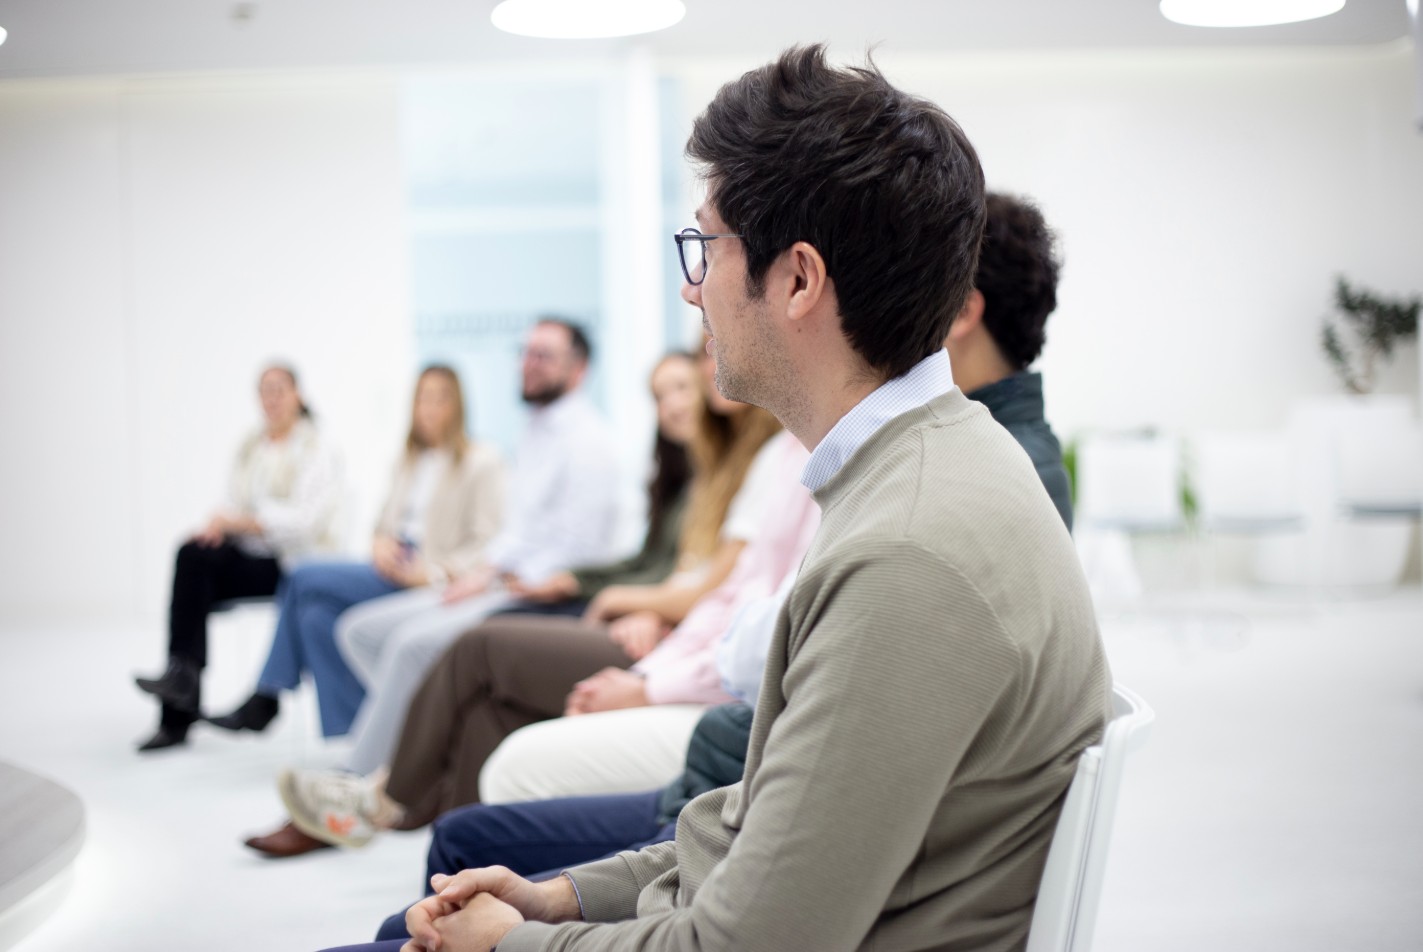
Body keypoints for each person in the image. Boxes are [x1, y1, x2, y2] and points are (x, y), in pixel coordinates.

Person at [328, 45, 1110, 952]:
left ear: (799, 280)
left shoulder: (905, 553)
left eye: (706, 245)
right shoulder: (930, 468)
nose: (691, 287)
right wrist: (563, 900)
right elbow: (763, 823)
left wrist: (513, 942)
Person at [246, 351, 797, 857]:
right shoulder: (701, 469)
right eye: (662, 393)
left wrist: (638, 631)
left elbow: (721, 595)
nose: (678, 399)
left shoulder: (772, 462)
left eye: (684, 383)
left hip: (664, 644)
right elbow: (684, 576)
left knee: (467, 647)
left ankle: (380, 798)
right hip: (648, 628)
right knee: (461, 695)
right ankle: (455, 868)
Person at [207, 364, 503, 738]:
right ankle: (349, 737)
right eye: (422, 398)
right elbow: (381, 525)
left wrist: (431, 574)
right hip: (392, 563)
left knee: (301, 574)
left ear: (457, 404)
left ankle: (267, 695)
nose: (429, 408)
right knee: (315, 617)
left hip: (431, 572)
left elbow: (487, 545)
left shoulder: (482, 461)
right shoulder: (408, 460)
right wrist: (379, 546)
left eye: (439, 398)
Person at [133, 364, 340, 752]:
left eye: (280, 390)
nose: (272, 399)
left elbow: (305, 522)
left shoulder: (317, 447)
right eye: (265, 391)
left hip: (290, 562)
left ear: (299, 395)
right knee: (192, 553)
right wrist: (217, 523)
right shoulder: (250, 446)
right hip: (250, 553)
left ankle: (212, 694)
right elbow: (232, 500)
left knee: (197, 571)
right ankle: (181, 687)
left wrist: (246, 522)